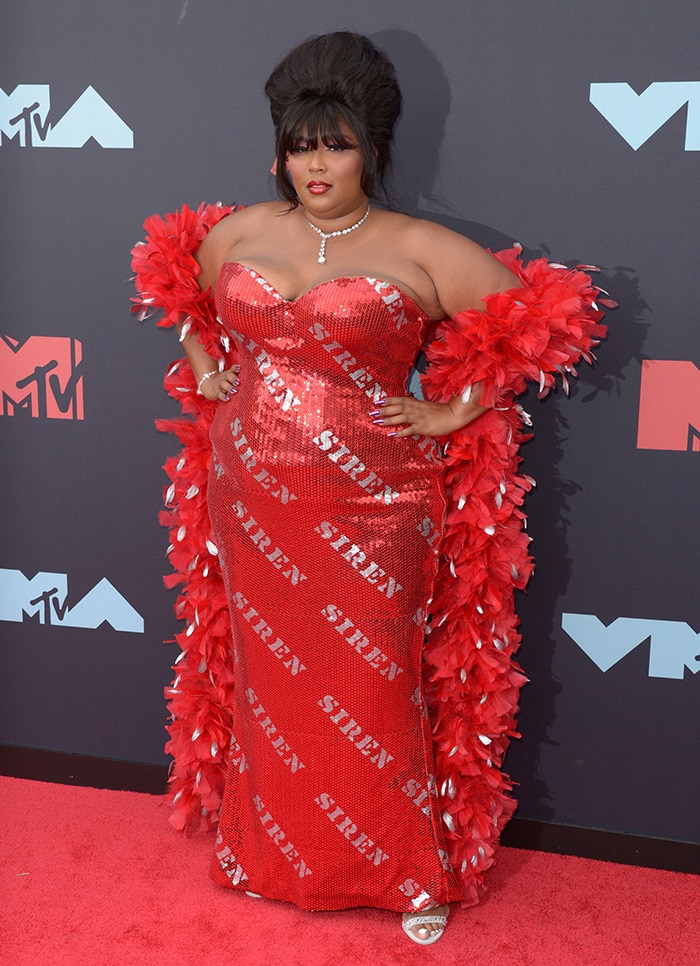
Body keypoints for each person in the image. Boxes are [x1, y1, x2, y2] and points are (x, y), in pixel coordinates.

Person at [132, 31, 608, 946]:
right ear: (281, 147)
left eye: (337, 143)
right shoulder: (239, 232)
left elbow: (549, 317)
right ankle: (265, 856)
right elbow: (179, 294)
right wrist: (204, 357)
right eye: (302, 144)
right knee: (271, 684)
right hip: (252, 498)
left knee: (374, 687)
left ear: (373, 148)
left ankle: (402, 875)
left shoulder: (420, 247)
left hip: (375, 507)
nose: (317, 164)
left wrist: (454, 411)